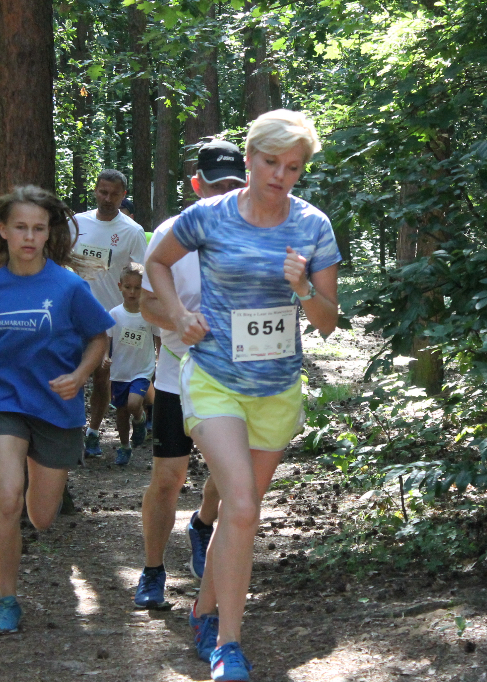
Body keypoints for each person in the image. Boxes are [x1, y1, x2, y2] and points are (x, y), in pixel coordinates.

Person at [146, 112, 340, 681]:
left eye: (293, 167)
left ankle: (204, 612)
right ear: (250, 158)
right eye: (271, 162)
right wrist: (180, 315)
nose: (281, 176)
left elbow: (327, 322)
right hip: (214, 380)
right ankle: (228, 645)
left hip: (277, 388)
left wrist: (303, 288)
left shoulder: (313, 227)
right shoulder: (207, 216)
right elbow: (157, 262)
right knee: (246, 508)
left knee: (237, 511)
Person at [0, 185, 114, 635]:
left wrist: (80, 376)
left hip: (56, 408)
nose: (28, 236)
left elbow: (99, 336)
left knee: (42, 515)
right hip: (3, 401)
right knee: (7, 497)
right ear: (2, 230)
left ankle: (39, 476)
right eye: (20, 227)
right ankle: (7, 599)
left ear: (47, 235)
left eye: (38, 229)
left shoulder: (69, 286)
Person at [133, 140, 247, 610]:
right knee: (167, 476)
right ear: (196, 185)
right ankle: (153, 571)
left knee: (228, 474)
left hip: (235, 376)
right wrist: (181, 318)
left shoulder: (257, 232)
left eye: (233, 185)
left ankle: (202, 524)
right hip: (179, 374)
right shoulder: (171, 234)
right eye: (215, 184)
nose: (224, 192)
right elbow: (145, 304)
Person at [73, 170, 148, 459]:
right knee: (74, 375)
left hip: (112, 319)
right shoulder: (79, 223)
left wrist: (139, 312)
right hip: (77, 316)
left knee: (103, 378)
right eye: (102, 191)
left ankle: (92, 433)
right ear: (95, 190)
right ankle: (76, 430)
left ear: (123, 195)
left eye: (114, 194)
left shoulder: (132, 231)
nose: (107, 198)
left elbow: (143, 275)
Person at [107, 262, 158, 466]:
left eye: (137, 288)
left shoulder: (148, 314)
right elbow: (106, 340)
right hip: (119, 371)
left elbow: (158, 338)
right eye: (128, 287)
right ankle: (124, 446)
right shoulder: (114, 314)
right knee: (120, 412)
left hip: (142, 370)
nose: (132, 292)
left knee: (133, 403)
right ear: (120, 286)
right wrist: (104, 357)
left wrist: (160, 360)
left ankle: (139, 421)